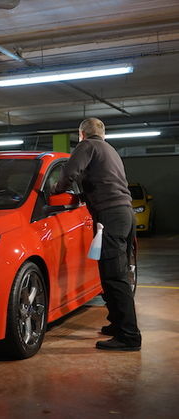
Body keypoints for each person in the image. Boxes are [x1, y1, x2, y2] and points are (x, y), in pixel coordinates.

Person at [53, 117, 141, 351]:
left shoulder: (87, 146)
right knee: (109, 272)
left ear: (81, 133)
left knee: (114, 276)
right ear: (103, 133)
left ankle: (129, 337)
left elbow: (70, 173)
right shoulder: (110, 149)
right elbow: (105, 182)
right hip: (124, 214)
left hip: (111, 215)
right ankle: (117, 324)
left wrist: (56, 190)